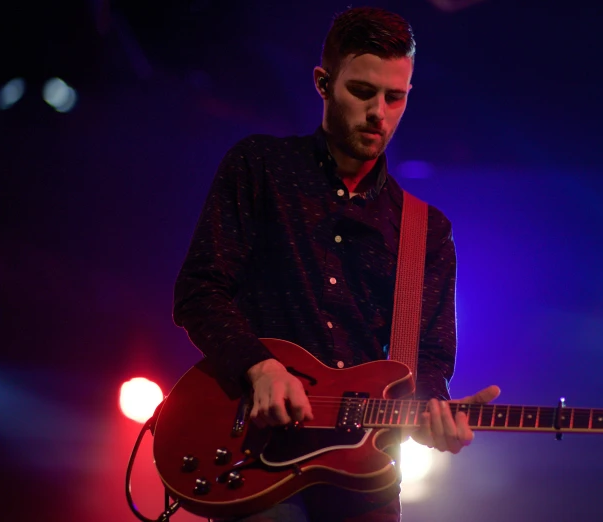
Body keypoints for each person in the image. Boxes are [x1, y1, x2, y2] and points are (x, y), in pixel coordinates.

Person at [173, 6, 500, 521]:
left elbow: (430, 361)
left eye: (396, 97)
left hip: (364, 476)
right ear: (323, 83)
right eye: (363, 92)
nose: (379, 113)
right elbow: (200, 289)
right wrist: (259, 367)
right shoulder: (259, 168)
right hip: (254, 451)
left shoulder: (425, 230)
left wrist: (435, 412)